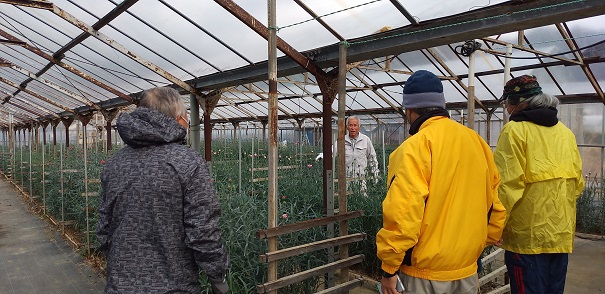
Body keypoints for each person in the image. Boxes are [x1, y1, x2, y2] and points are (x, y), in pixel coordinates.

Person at [376, 70, 506, 294]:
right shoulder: (477, 143)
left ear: (409, 110)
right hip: (466, 271)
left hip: (425, 276)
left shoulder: (413, 148)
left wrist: (389, 268)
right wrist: (485, 241)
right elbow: (494, 202)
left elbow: (403, 213)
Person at [96, 87, 229, 294]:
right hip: (174, 285)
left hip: (120, 284)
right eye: (185, 116)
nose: (187, 120)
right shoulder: (187, 161)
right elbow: (202, 230)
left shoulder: (115, 163)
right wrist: (217, 274)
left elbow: (104, 225)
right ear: (176, 119)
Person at [494, 75, 584, 294]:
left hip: (527, 238)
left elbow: (507, 186)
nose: (506, 108)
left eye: (506, 103)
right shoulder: (566, 134)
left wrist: (495, 226)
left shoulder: (514, 131)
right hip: (560, 234)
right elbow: (577, 184)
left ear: (517, 103)